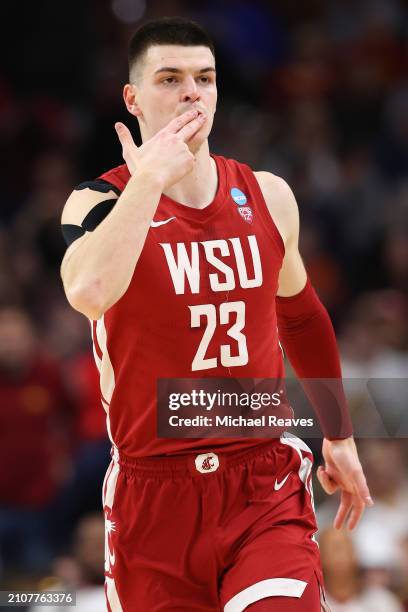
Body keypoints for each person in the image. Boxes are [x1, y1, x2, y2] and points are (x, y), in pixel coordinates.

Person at [60, 17, 373, 612]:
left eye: (204, 78)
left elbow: (302, 318)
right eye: (170, 78)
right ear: (133, 98)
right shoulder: (98, 199)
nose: (191, 93)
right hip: (152, 494)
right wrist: (148, 179)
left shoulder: (267, 194)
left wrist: (339, 435)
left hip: (259, 478)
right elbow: (91, 290)